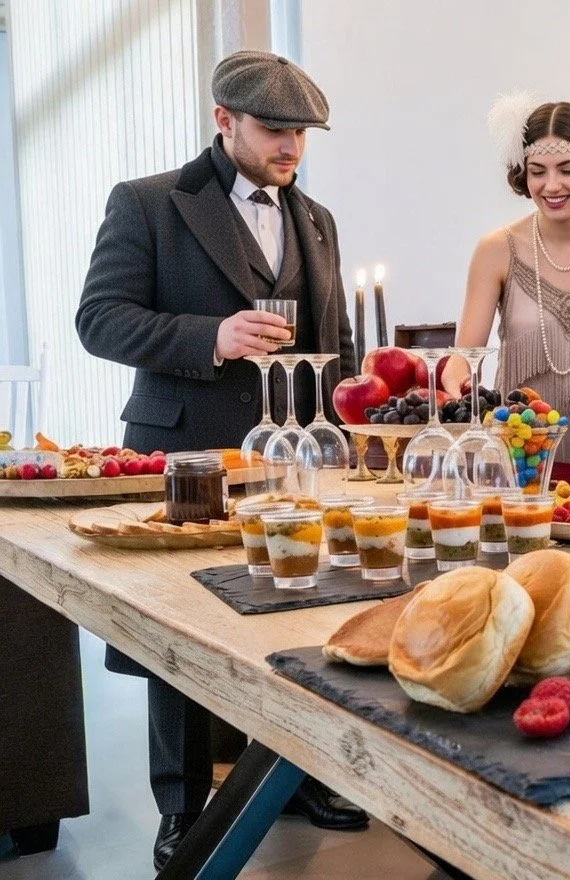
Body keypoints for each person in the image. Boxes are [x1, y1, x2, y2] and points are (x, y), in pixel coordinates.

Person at [76, 50, 366, 871]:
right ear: (223, 120)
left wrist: (349, 429)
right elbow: (99, 319)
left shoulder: (317, 220)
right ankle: (182, 806)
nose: (292, 149)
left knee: (300, 606)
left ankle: (298, 770)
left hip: (293, 458)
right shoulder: (147, 203)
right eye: (276, 130)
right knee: (181, 629)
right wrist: (210, 336)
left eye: (303, 134)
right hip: (184, 451)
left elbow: (334, 346)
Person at [445, 98, 570, 465]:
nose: (552, 185)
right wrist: (457, 389)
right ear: (523, 175)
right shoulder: (495, 249)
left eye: (566, 170)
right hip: (521, 447)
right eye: (538, 171)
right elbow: (466, 358)